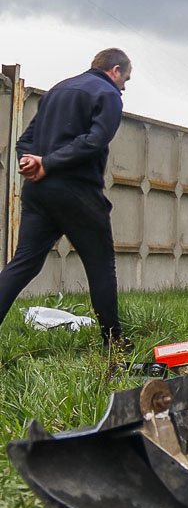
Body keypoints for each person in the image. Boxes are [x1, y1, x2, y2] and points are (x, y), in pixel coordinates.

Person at [0, 48, 131, 349]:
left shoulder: (58, 90)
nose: (124, 86)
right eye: (125, 78)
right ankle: (113, 342)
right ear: (114, 71)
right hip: (77, 192)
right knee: (100, 264)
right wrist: (48, 163)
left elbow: (25, 141)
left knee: (23, 264)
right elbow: (95, 141)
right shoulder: (108, 94)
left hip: (39, 192)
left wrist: (29, 163)